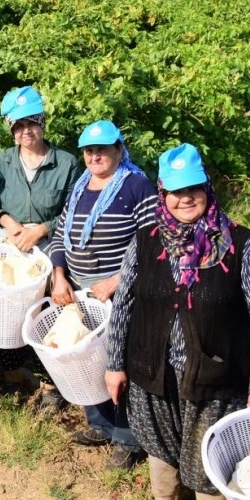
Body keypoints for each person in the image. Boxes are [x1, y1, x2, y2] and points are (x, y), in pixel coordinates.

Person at [106, 143, 250, 500]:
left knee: (208, 455)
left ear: (207, 188)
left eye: (194, 188)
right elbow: (124, 305)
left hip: (215, 376)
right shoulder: (147, 240)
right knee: (158, 444)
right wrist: (114, 364)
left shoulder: (240, 245)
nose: (186, 198)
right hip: (152, 368)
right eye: (176, 191)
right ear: (162, 194)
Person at [47, 119, 157, 469]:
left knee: (118, 362)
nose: (95, 156)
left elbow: (153, 245)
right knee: (83, 356)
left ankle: (128, 438)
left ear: (119, 150)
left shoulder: (136, 186)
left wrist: (116, 282)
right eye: (89, 150)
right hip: (78, 291)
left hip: (119, 294)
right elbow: (60, 234)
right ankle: (101, 424)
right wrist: (59, 275)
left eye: (103, 149)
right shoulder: (81, 186)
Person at [0, 86, 82, 395]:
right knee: (7, 305)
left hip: (49, 241)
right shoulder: (1, 162)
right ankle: (13, 370)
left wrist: (41, 230)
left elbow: (73, 211)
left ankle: (50, 376)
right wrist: (7, 221)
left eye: (33, 123)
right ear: (11, 129)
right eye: (20, 125)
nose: (27, 131)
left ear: (42, 123)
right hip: (10, 239)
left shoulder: (66, 164)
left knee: (49, 304)